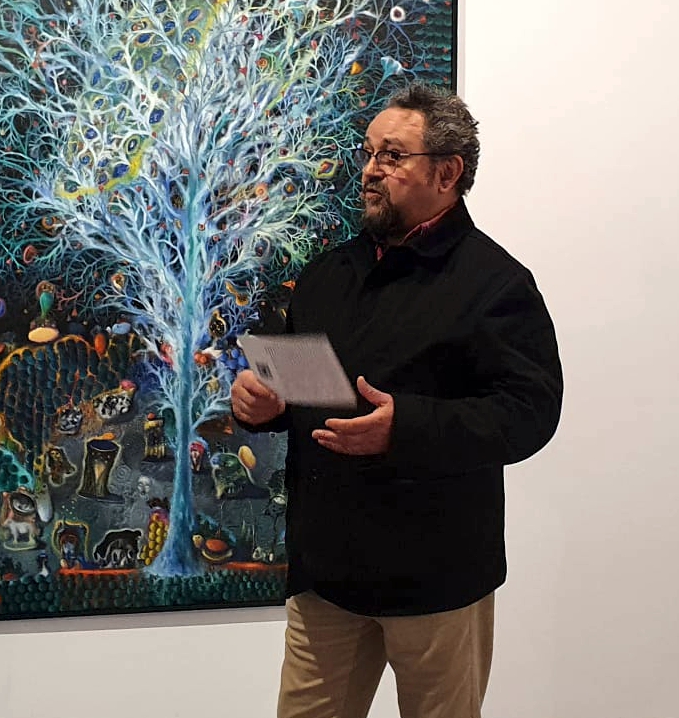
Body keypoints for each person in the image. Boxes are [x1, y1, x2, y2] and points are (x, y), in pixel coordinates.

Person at [231, 84, 562, 718]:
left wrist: (405, 427)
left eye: (391, 155)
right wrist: (262, 406)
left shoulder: (496, 283)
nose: (370, 169)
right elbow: (304, 391)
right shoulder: (329, 273)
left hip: (437, 578)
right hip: (326, 573)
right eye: (367, 153)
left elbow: (530, 412)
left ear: (447, 173)